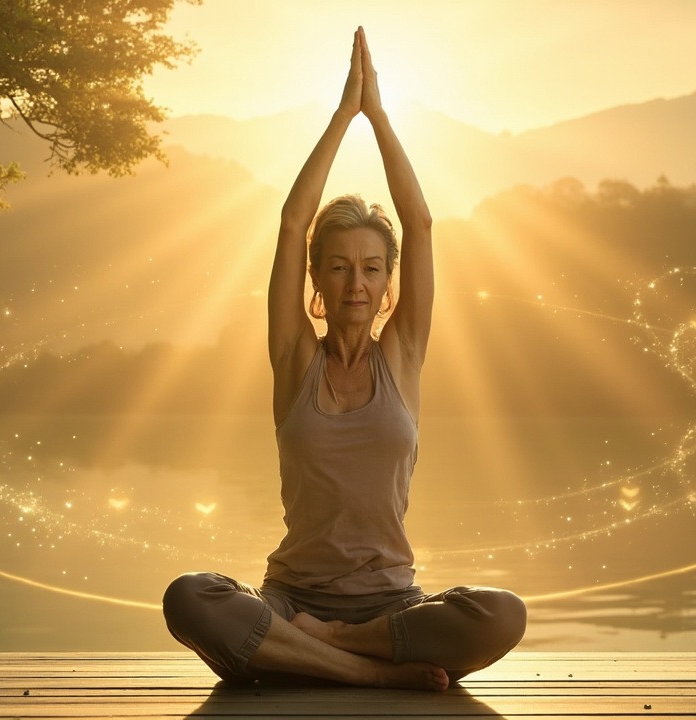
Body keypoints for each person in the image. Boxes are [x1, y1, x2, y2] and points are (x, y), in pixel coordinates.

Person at [162, 27, 526, 692]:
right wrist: (340, 116)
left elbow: (419, 225)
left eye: (370, 269)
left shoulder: (404, 356)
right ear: (318, 283)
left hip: (389, 606)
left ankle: (323, 651)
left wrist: (379, 116)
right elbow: (292, 223)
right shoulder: (294, 356)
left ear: (388, 282)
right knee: (189, 598)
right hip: (290, 599)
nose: (356, 283)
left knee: (502, 615)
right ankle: (371, 675)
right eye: (338, 268)